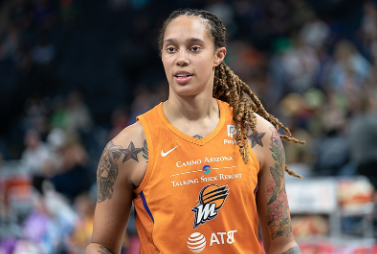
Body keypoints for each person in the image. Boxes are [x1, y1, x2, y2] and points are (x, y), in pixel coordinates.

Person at [85, 9, 303, 254]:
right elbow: (102, 245)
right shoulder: (126, 149)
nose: (181, 58)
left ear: (218, 56)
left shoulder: (259, 135)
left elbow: (282, 245)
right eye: (171, 49)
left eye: (194, 48)